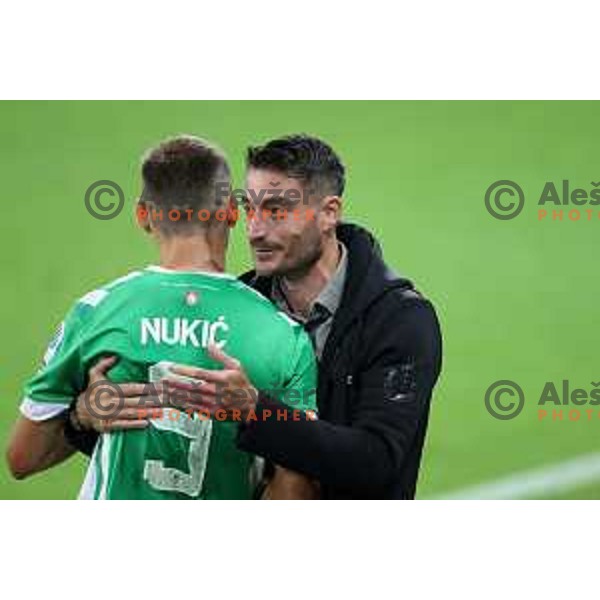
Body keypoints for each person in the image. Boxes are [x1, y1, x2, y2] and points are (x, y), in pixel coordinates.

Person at [30, 134, 443, 500]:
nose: (255, 230)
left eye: (277, 210)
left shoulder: (401, 321)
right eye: (249, 207)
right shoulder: (241, 308)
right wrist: (83, 417)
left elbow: (377, 462)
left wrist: (256, 411)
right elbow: (176, 439)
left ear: (329, 212)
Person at [6, 135, 318, 500]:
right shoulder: (283, 334)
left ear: (143, 216)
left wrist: (81, 417)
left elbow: (22, 458)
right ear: (232, 212)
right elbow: (297, 482)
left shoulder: (96, 312)